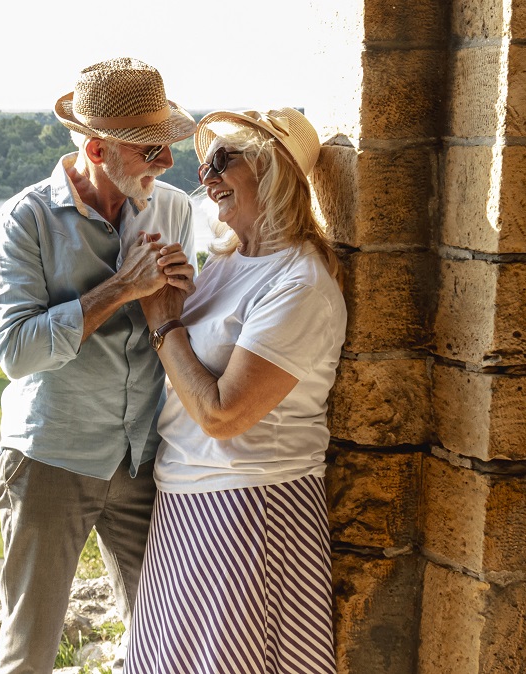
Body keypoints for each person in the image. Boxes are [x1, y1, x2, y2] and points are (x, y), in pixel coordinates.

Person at [0, 57, 197, 674]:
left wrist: (180, 299)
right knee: (29, 654)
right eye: (151, 149)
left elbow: (178, 327)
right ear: (99, 150)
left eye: (168, 144)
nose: (167, 161)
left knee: (164, 643)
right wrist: (118, 291)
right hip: (51, 458)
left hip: (145, 459)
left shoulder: (175, 210)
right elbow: (16, 352)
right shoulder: (25, 220)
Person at [125, 107, 346, 673]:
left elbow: (223, 414)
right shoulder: (229, 263)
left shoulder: (299, 284)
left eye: (223, 159)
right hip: (186, 502)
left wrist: (163, 319)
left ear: (272, 171)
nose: (207, 175)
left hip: (251, 508)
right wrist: (171, 292)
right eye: (204, 164)